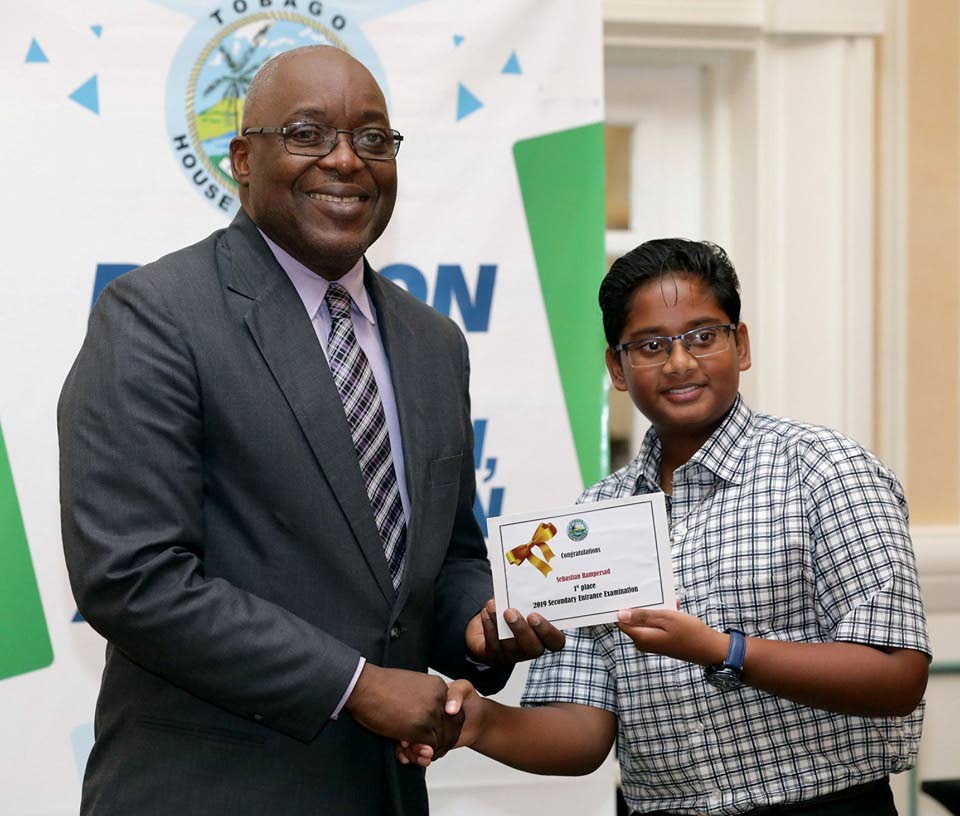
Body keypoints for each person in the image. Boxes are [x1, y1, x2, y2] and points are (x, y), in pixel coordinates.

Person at [58, 45, 562, 816]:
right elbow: (132, 578)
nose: (345, 161)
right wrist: (354, 686)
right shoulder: (154, 317)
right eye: (306, 133)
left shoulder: (433, 343)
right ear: (242, 159)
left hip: (385, 793)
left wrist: (479, 625)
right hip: (209, 793)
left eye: (372, 139)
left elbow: (446, 554)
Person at [401, 238, 930, 816]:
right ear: (617, 368)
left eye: (703, 336)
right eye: (651, 345)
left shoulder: (825, 469)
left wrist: (723, 650)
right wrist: (478, 721)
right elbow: (583, 732)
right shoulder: (593, 519)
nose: (680, 362)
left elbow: (897, 676)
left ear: (741, 344)